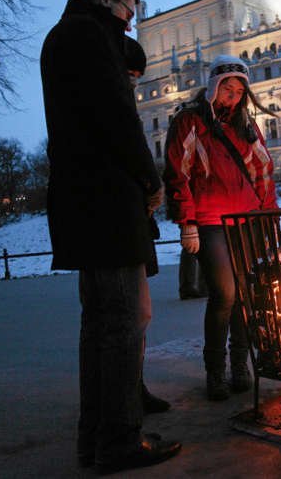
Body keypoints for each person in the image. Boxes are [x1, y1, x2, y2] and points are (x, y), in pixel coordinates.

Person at [40, 0, 181, 473]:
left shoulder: (60, 37)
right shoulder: (91, 35)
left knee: (98, 324)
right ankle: (120, 439)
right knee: (120, 324)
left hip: (80, 202)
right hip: (107, 200)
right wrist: (151, 179)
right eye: (127, 13)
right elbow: (119, 118)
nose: (128, 25)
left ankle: (94, 437)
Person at [163, 55, 278, 401]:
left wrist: (268, 215)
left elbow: (263, 172)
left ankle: (240, 365)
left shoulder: (246, 126)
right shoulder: (190, 121)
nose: (233, 96)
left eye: (239, 91)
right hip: (211, 221)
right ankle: (215, 369)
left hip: (248, 219)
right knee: (224, 294)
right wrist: (188, 223)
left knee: (245, 294)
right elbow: (177, 172)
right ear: (213, 86)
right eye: (227, 88)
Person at [123, 35, 172, 415]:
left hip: (132, 221)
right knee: (129, 316)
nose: (137, 86)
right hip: (118, 224)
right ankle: (124, 404)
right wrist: (152, 185)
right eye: (133, 77)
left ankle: (131, 390)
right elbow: (134, 148)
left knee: (135, 316)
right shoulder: (110, 105)